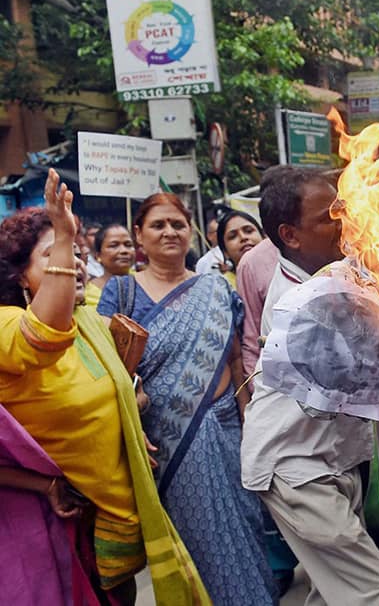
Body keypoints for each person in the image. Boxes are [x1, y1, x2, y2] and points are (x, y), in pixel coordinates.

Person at [0, 170, 207, 604]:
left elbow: (117, 391)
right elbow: (42, 336)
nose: (73, 261)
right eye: (54, 252)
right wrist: (44, 485)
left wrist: (130, 424)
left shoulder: (89, 324)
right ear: (20, 277)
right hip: (52, 515)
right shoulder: (6, 327)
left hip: (111, 518)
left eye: (74, 251)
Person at [97, 192, 276, 604]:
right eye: (158, 225)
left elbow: (234, 358)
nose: (170, 232)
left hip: (225, 428)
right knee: (194, 545)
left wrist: (251, 421)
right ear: (139, 235)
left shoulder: (215, 287)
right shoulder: (121, 294)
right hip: (165, 443)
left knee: (245, 533)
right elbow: (110, 372)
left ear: (190, 230)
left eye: (177, 224)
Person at [241, 166, 379, 606]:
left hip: (332, 459)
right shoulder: (299, 306)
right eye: (328, 215)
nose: (344, 220)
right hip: (297, 468)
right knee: (371, 589)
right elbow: (368, 380)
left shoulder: (332, 273)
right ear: (290, 235)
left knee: (332, 593)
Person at [84, 223, 135, 306]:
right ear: (98, 256)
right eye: (114, 246)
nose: (124, 251)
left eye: (128, 245)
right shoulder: (88, 294)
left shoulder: (146, 283)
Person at [216, 209, 263, 288]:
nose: (243, 237)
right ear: (225, 252)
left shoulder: (284, 271)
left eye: (248, 231)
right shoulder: (223, 288)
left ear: (264, 237)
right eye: (232, 236)